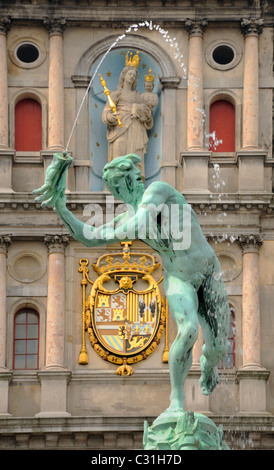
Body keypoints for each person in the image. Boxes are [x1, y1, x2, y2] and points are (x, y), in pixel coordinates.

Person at [33, 152, 229, 416]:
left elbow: (142, 221)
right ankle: (177, 400)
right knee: (189, 331)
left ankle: (209, 363)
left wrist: (112, 232)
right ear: (118, 188)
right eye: (129, 179)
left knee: (217, 349)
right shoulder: (126, 219)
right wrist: (61, 207)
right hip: (178, 278)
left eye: (136, 177)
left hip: (206, 271)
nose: (137, 181)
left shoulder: (159, 192)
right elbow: (89, 238)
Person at [102, 53, 156, 179]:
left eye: (134, 75)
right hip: (120, 128)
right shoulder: (116, 94)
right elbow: (106, 111)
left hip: (136, 128)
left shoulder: (139, 96)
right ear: (123, 76)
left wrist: (145, 113)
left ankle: (135, 184)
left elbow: (148, 117)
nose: (132, 76)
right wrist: (110, 117)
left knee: (134, 157)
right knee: (118, 155)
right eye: (130, 74)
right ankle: (116, 183)